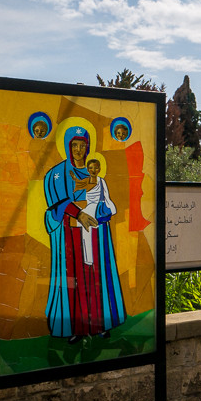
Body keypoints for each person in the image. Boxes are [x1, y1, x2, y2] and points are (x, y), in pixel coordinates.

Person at [43, 126, 127, 343]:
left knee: (96, 279)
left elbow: (106, 203)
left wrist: (100, 213)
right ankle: (77, 328)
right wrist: (78, 214)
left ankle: (99, 325)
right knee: (75, 280)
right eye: (74, 145)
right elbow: (55, 204)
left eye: (83, 145)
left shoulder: (96, 176)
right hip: (70, 236)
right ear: (67, 146)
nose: (79, 149)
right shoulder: (56, 174)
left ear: (88, 147)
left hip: (95, 235)